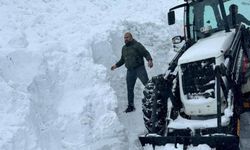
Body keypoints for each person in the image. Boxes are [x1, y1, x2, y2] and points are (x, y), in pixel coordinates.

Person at [111, 32, 153, 113]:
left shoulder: (137, 45)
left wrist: (149, 60)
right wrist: (115, 65)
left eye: (127, 37)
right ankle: (131, 106)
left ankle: (153, 100)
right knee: (129, 89)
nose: (125, 39)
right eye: (124, 38)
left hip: (139, 69)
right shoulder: (124, 48)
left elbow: (145, 53)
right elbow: (122, 60)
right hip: (130, 71)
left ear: (131, 37)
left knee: (147, 85)